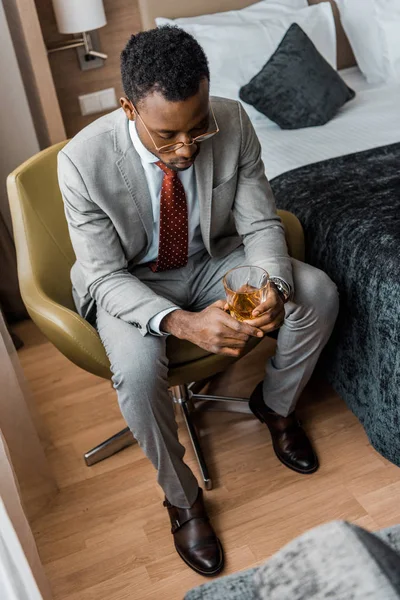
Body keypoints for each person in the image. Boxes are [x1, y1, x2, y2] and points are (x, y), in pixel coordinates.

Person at [58, 26, 339, 577]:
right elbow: (104, 276)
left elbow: (259, 222)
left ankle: (275, 406)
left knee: (319, 293)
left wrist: (274, 291)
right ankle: (182, 497)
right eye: (168, 137)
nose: (187, 148)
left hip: (213, 258)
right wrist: (183, 324)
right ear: (128, 107)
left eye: (197, 126)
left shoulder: (232, 121)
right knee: (138, 376)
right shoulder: (81, 162)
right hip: (134, 284)